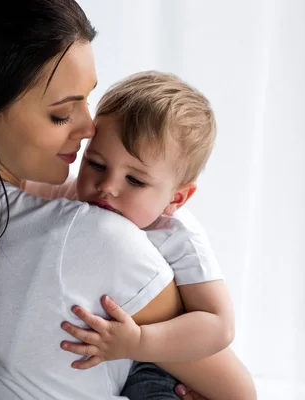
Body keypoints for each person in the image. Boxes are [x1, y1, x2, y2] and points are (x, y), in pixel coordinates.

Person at [0, 1, 256, 399]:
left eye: (87, 99)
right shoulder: (97, 237)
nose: (90, 127)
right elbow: (237, 392)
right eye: (61, 114)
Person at [27, 71, 248, 399]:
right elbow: (22, 190)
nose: (107, 186)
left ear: (176, 199)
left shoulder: (178, 237)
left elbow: (219, 324)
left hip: (158, 360)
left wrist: (141, 343)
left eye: (135, 181)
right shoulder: (73, 194)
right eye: (97, 164)